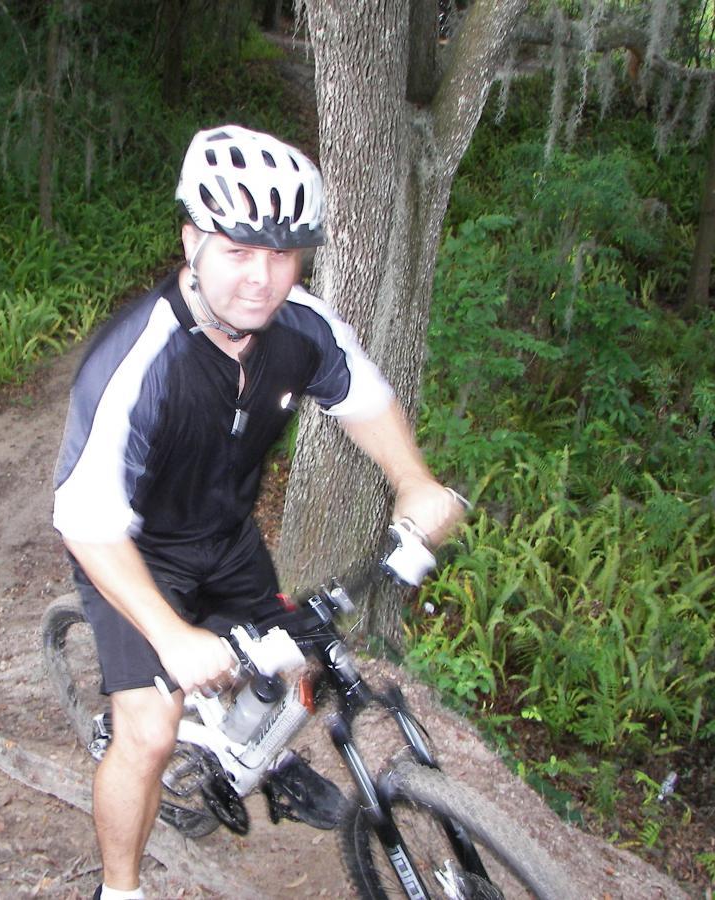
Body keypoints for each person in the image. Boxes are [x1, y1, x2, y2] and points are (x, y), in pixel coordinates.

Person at [52, 124, 463, 900]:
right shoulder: (139, 361)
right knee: (148, 732)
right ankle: (120, 888)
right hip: (135, 553)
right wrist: (171, 636)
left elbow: (368, 402)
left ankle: (258, 760)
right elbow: (85, 522)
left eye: (282, 254)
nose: (262, 278)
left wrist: (414, 483)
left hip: (227, 535)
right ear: (192, 242)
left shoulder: (300, 330)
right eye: (239, 250)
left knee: (295, 656)